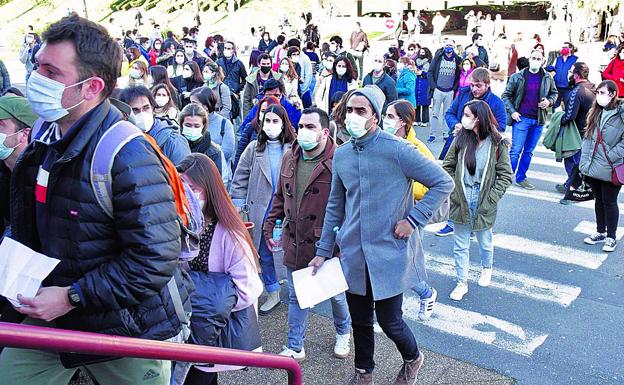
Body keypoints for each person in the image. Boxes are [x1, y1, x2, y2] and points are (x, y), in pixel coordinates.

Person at [0, 15, 191, 385]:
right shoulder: (43, 137)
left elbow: (154, 260)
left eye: (51, 72)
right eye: (37, 66)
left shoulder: (128, 155)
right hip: (52, 320)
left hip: (125, 331)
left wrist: (72, 296)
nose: (35, 79)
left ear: (92, 87)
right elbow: (28, 227)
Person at [313, 86, 454, 385]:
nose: (352, 116)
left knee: (391, 321)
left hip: (390, 251)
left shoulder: (398, 149)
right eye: (349, 110)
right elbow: (335, 204)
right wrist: (323, 250)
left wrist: (413, 219)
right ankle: (364, 373)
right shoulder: (343, 155)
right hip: (353, 252)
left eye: (360, 111)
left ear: (375, 117)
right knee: (360, 321)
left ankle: (414, 358)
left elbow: (443, 182)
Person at [263, 107, 352, 361]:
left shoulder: (339, 160)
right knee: (297, 294)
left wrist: (336, 241)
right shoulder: (290, 157)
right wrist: (270, 225)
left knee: (335, 293)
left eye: (310, 127)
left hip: (328, 243)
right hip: (295, 238)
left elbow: (349, 205)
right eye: (301, 126)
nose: (303, 132)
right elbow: (280, 196)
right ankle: (295, 345)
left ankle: (343, 332)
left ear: (325, 132)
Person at [175, 153, 263, 385]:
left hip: (215, 328)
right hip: (187, 325)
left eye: (192, 188)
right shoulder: (180, 225)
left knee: (199, 376)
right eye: (180, 186)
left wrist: (208, 300)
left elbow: (249, 288)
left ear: (209, 190)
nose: (186, 195)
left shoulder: (230, 234)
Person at [442, 99, 513, 301]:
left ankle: (486, 267)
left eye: (467, 116)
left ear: (479, 119)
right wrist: (453, 191)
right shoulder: (460, 139)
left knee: (485, 240)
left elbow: (506, 175)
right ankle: (461, 282)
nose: (463, 120)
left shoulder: (497, 143)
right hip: (461, 198)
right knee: (460, 245)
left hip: (483, 200)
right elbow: (447, 166)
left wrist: (491, 198)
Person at [231, 104, 296, 314]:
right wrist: (239, 204)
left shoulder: (295, 149)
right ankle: (273, 290)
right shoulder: (253, 149)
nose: (270, 125)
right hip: (260, 209)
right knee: (263, 253)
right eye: (266, 121)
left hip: (287, 210)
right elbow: (240, 178)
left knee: (290, 252)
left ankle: (298, 291)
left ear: (284, 123)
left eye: (275, 121)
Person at [382, 100, 439, 320]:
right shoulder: (383, 142)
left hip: (410, 214)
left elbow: (432, 184)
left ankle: (426, 293)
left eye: (390, 116)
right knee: (388, 263)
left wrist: (403, 183)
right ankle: (390, 314)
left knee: (403, 263)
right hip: (386, 211)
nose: (385, 120)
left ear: (403, 122)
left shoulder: (417, 149)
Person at [502, 49, 558, 190]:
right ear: (529, 58)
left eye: (538, 58)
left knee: (528, 151)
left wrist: (549, 102)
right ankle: (506, 178)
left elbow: (554, 93)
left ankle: (521, 177)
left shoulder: (547, 77)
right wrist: (513, 112)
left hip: (538, 120)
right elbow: (506, 95)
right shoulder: (518, 76)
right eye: (533, 57)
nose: (535, 60)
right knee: (515, 150)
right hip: (521, 119)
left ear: (543, 60)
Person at [579, 80, 624, 253]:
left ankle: (611, 237)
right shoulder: (596, 111)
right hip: (594, 164)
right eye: (597, 93)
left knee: (610, 202)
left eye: (602, 93)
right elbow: (588, 139)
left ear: (613, 94)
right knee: (598, 200)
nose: (599, 96)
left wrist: (612, 156)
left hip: (612, 165)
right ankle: (600, 231)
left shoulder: (620, 112)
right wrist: (584, 164)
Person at [119, 85, 191, 165]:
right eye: (135, 110)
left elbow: (184, 175)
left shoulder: (173, 142)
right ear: (126, 115)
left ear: (153, 108)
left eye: (146, 108)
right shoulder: (122, 140)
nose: (142, 113)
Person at [556, 62, 595, 200]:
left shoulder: (577, 91)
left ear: (577, 75)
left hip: (577, 133)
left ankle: (576, 186)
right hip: (590, 131)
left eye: (571, 72)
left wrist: (558, 120)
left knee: (571, 160)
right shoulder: (592, 87)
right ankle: (570, 183)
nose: (569, 74)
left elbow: (570, 115)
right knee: (581, 161)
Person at [190, 87, 235, 169]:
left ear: (206, 106)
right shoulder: (189, 122)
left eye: (194, 103)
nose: (191, 106)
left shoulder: (224, 124)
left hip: (219, 171)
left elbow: (227, 152)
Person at [179, 103, 226, 179]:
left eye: (196, 126)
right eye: (188, 125)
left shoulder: (213, 152)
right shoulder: (173, 145)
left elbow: (215, 182)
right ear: (181, 124)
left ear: (203, 126)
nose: (192, 129)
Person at [428, 39, 462, 142]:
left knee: (447, 114)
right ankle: (432, 134)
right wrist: (434, 87)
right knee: (435, 113)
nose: (449, 47)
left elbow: (458, 76)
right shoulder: (438, 58)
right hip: (438, 89)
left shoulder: (457, 59)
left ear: (454, 47)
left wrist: (454, 89)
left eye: (451, 45)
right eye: (447, 45)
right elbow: (430, 72)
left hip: (449, 91)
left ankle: (445, 134)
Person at [234, 96, 281, 169]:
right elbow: (240, 154)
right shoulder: (250, 127)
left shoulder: (282, 130)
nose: (265, 114)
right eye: (263, 111)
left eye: (268, 111)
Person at [242, 53, 282, 119]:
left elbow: (283, 95)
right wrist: (247, 117)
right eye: (263, 64)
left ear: (271, 64)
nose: (266, 66)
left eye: (268, 64)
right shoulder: (251, 80)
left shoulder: (278, 78)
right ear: (258, 64)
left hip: (274, 111)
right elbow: (246, 100)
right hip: (256, 112)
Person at [546, 42, 578, 108]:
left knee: (568, 105)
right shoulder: (558, 59)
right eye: (562, 47)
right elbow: (552, 67)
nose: (563, 49)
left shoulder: (576, 59)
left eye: (565, 47)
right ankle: (554, 117)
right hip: (557, 86)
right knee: (555, 106)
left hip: (568, 87)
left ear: (570, 48)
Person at [287, 39, 314, 108]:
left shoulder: (305, 58)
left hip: (303, 91)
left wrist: (302, 91)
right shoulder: (287, 59)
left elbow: (308, 76)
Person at [415, 48, 432, 127]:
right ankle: (416, 119)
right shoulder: (416, 61)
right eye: (420, 52)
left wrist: (422, 73)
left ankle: (425, 121)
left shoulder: (429, 63)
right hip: (417, 82)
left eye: (423, 52)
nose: (421, 54)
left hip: (425, 83)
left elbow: (430, 74)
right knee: (417, 102)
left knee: (425, 103)